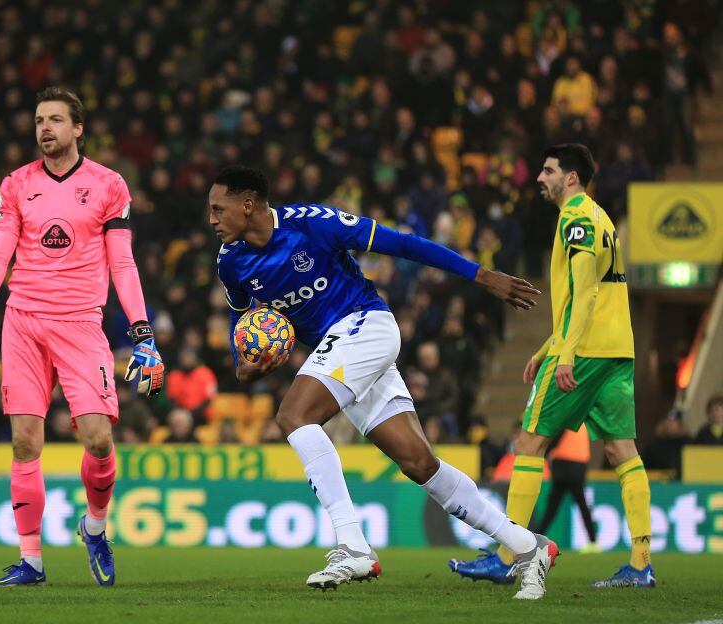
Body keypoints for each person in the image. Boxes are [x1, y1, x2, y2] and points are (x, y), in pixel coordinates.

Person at [209, 165, 556, 600]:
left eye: (218, 208)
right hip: (340, 351)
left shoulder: (312, 224)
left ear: (248, 204)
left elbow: (403, 244)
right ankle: (529, 546)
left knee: (294, 416)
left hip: (365, 325)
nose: (212, 219)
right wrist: (245, 363)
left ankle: (352, 545)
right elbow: (242, 319)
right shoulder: (231, 262)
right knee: (418, 464)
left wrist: (480, 275)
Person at [0, 87, 163, 587]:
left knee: (98, 440)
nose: (45, 128)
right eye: (38, 120)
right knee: (25, 441)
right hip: (24, 322)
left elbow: (122, 261)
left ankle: (94, 527)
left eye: (55, 119)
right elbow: (2, 245)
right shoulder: (16, 184)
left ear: (78, 129)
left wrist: (142, 332)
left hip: (81, 324)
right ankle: (30, 562)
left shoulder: (108, 185)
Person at [450, 144, 654, 589]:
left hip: (583, 354)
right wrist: (549, 344)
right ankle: (641, 565)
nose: (540, 178)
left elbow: (585, 294)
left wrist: (564, 354)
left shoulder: (576, 220)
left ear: (572, 177)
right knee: (623, 453)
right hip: (617, 350)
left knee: (528, 443)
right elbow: (598, 293)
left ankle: (508, 555)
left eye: (548, 171)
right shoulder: (600, 219)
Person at [532, 426, 599, 552]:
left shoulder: (567, 415)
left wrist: (544, 452)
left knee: (552, 507)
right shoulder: (582, 421)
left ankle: (536, 539)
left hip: (564, 465)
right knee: (582, 505)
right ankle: (593, 541)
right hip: (579, 466)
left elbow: (557, 437)